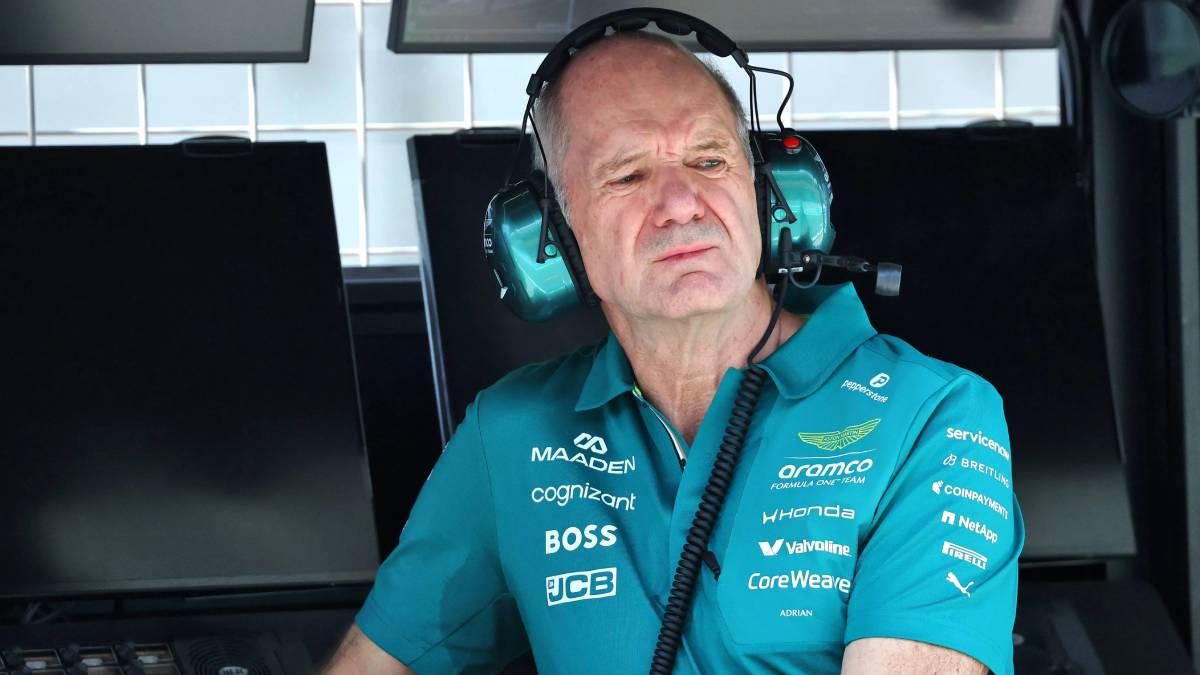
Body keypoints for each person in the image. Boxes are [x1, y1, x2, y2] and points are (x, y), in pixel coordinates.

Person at [322, 21, 1024, 675]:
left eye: (709, 159)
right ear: (553, 239)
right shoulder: (509, 436)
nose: (681, 202)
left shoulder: (931, 416)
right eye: (628, 175)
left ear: (771, 194)